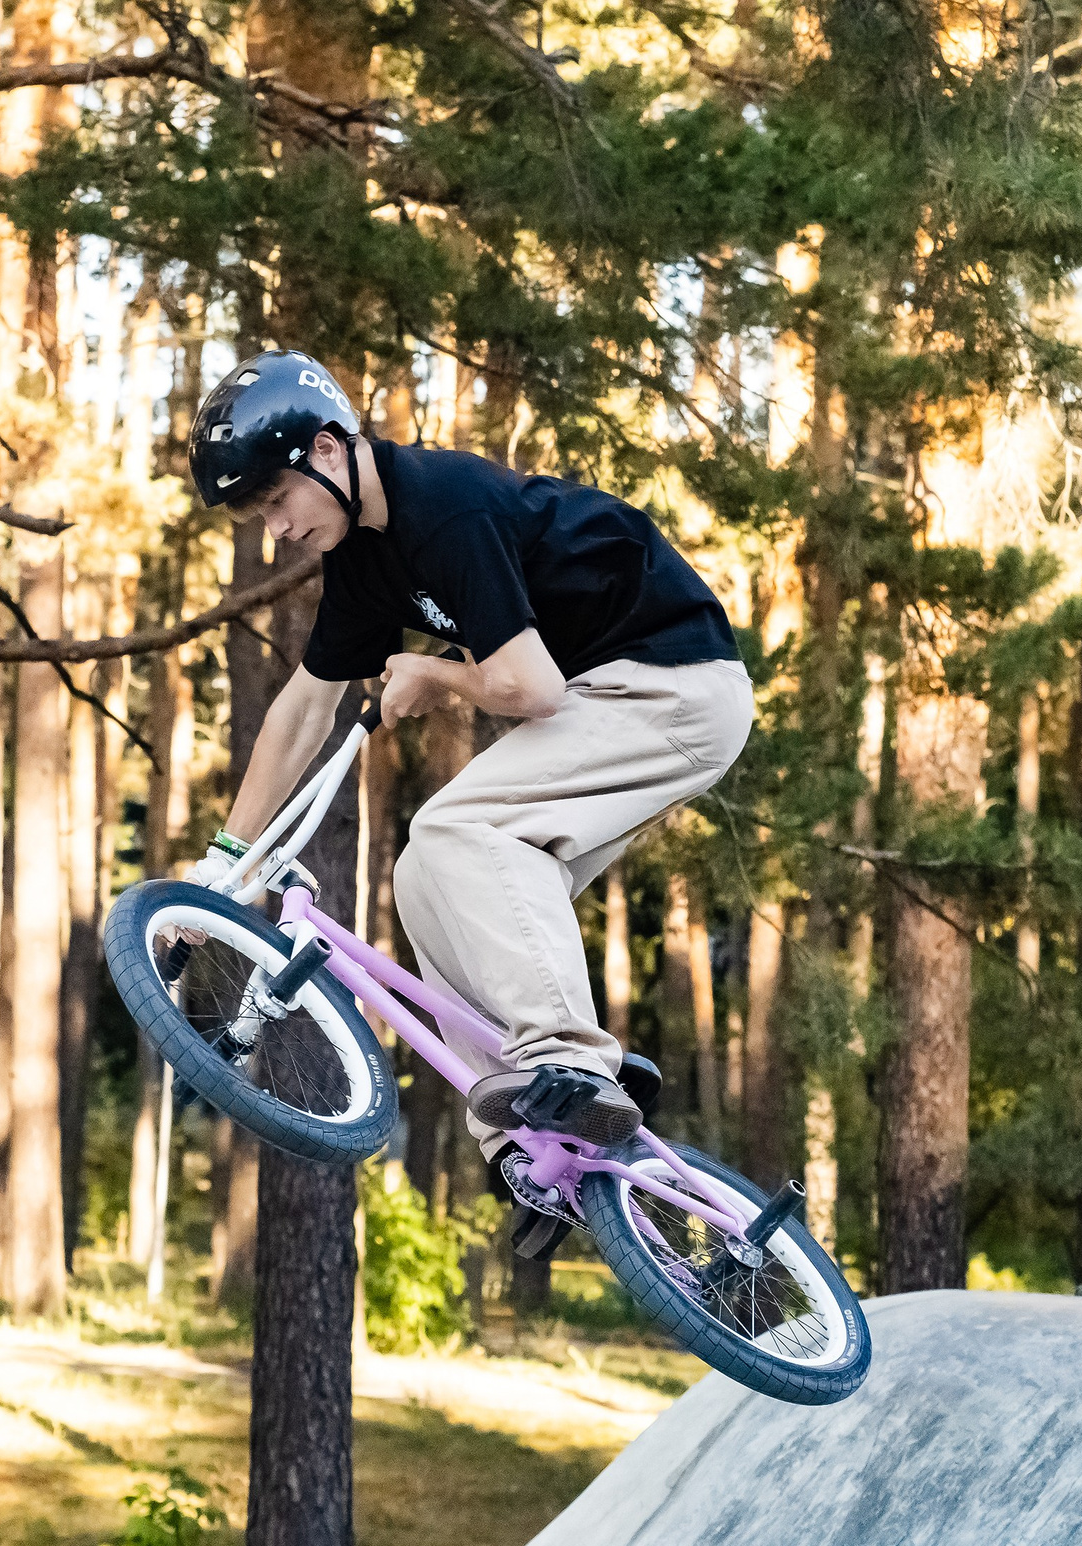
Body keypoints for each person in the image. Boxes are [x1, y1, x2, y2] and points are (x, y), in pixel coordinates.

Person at [191, 350, 752, 1210]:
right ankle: (530, 1141)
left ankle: (570, 1059)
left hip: (673, 685)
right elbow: (304, 708)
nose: (277, 530)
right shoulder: (364, 563)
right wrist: (228, 860)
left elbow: (532, 690)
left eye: (276, 500)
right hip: (610, 696)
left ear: (331, 453)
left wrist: (434, 675)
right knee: (426, 876)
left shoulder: (444, 507)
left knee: (458, 829)